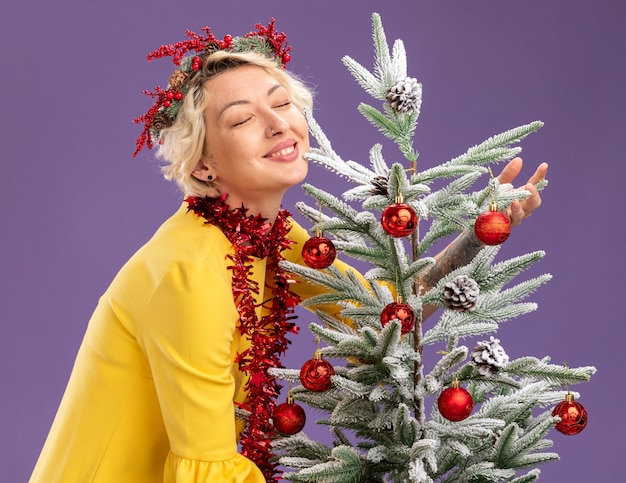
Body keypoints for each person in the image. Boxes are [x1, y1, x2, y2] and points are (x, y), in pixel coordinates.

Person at [30, 19, 547, 483]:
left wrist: (479, 233)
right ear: (203, 164)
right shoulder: (192, 271)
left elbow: (381, 312)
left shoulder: (266, 233)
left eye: (281, 104)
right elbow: (205, 471)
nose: (279, 124)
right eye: (241, 119)